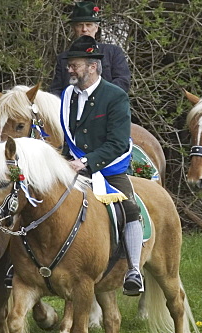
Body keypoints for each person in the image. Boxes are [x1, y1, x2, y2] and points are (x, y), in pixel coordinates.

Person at [58, 34, 144, 295]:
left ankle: (134, 269)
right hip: (72, 166)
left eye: (75, 65)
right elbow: (68, 139)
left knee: (129, 209)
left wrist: (85, 162)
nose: (69, 69)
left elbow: (118, 143)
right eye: (69, 65)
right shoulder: (68, 96)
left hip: (107, 169)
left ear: (92, 66)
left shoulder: (115, 96)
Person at [48, 1, 130, 96]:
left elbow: (123, 81)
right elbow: (56, 91)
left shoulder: (113, 52)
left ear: (96, 28)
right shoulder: (63, 58)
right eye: (80, 25)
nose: (84, 29)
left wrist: (101, 98)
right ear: (74, 28)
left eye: (88, 24)